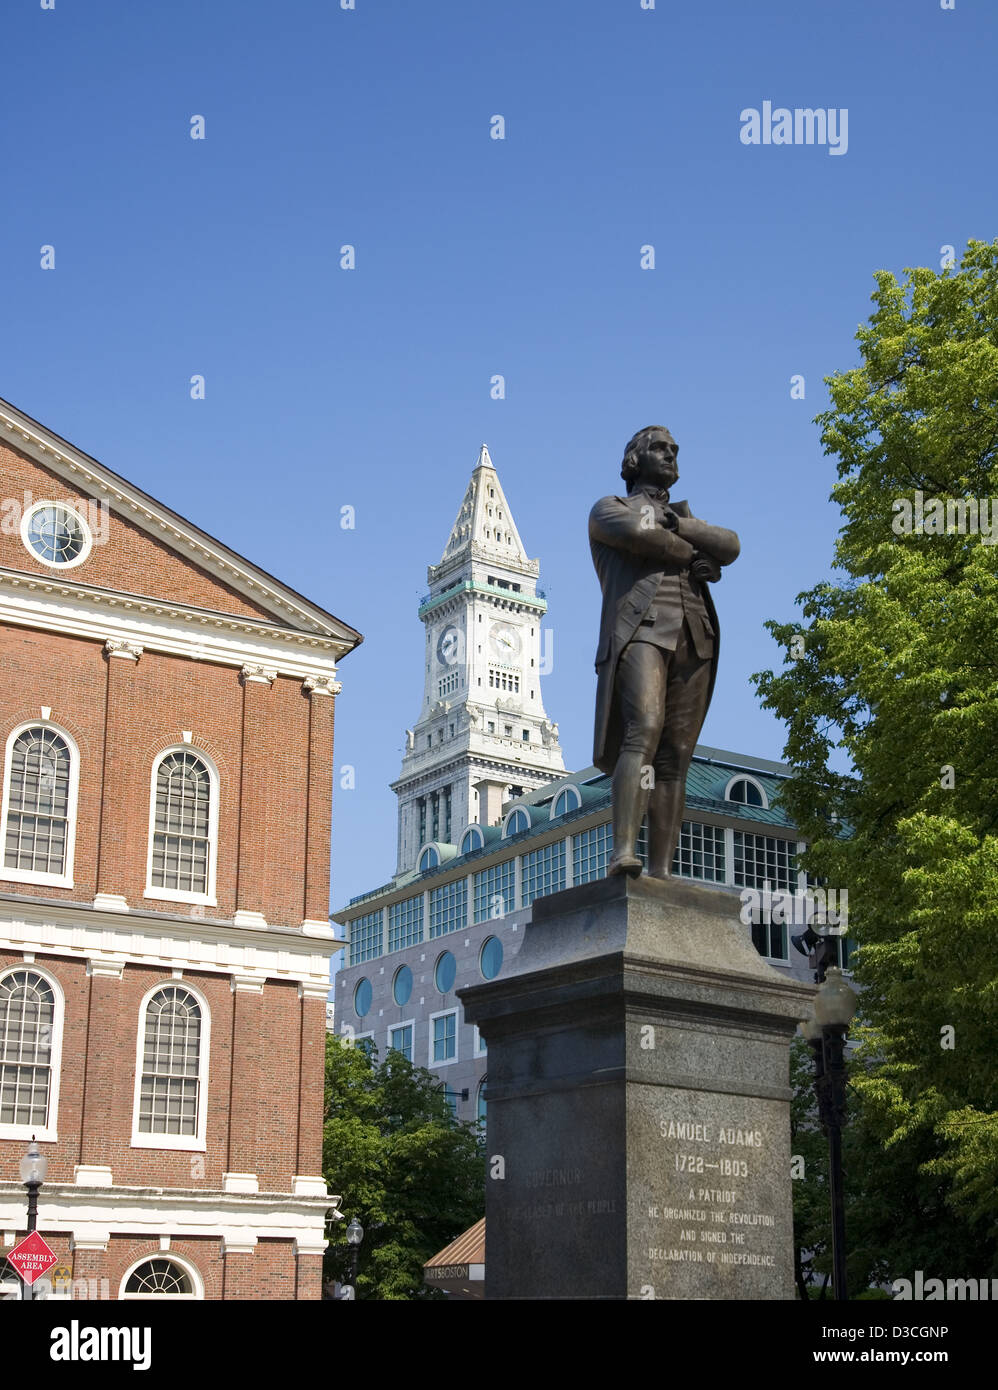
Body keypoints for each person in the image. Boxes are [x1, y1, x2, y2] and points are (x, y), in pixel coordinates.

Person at [589, 426, 740, 878]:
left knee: (677, 754)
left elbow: (731, 545)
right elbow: (642, 535)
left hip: (696, 637)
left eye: (675, 450)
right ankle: (622, 852)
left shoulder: (682, 517)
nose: (671, 454)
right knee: (645, 730)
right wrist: (692, 546)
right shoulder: (608, 509)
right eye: (660, 448)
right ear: (634, 459)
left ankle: (660, 872)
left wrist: (683, 526)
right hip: (643, 631)